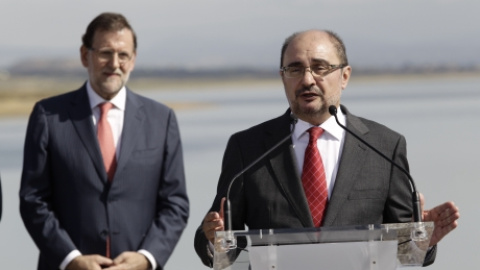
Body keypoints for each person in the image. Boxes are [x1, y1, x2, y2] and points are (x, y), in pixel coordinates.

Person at [194, 29, 459, 267]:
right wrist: (214, 239)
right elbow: (223, 239)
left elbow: (406, 252)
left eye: (320, 68)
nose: (307, 79)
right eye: (295, 69)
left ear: (344, 76)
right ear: (283, 78)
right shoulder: (248, 147)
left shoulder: (385, 146)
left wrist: (423, 240)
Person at [19, 12, 189, 270]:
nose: (114, 63)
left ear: (133, 60)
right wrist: (71, 258)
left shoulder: (161, 119)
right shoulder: (48, 116)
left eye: (123, 55)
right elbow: (33, 200)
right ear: (85, 55)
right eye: (105, 53)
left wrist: (146, 257)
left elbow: (175, 204)